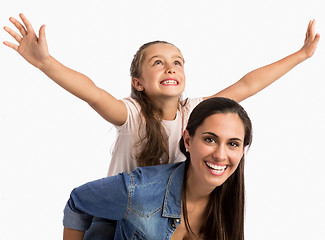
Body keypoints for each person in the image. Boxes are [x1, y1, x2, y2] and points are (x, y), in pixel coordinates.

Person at [3, 14, 320, 239]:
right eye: (158, 62)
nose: (171, 66)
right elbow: (92, 92)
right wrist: (45, 62)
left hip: (168, 210)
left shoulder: (194, 112)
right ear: (137, 82)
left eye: (177, 61)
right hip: (119, 213)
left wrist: (301, 55)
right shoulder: (131, 115)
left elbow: (247, 84)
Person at [63, 97, 252, 240]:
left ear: (243, 151)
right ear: (187, 140)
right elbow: (78, 201)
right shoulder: (140, 190)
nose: (220, 155)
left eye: (233, 144)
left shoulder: (230, 203)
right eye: (210, 139)